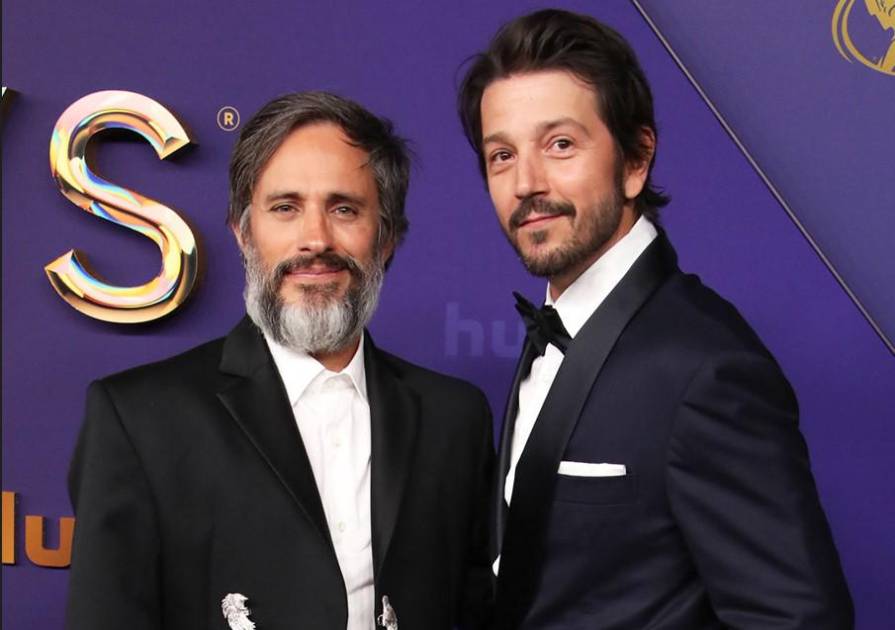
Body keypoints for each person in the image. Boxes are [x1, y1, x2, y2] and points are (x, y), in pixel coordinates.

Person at [457, 9, 853, 629]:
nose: (526, 182)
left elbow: (797, 618)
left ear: (636, 160)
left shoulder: (707, 367)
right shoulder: (558, 327)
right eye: (502, 155)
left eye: (560, 144)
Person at [66, 92, 493, 630]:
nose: (315, 239)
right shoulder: (138, 420)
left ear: (386, 238)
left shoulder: (455, 419)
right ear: (244, 234)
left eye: (344, 209)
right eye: (285, 208)